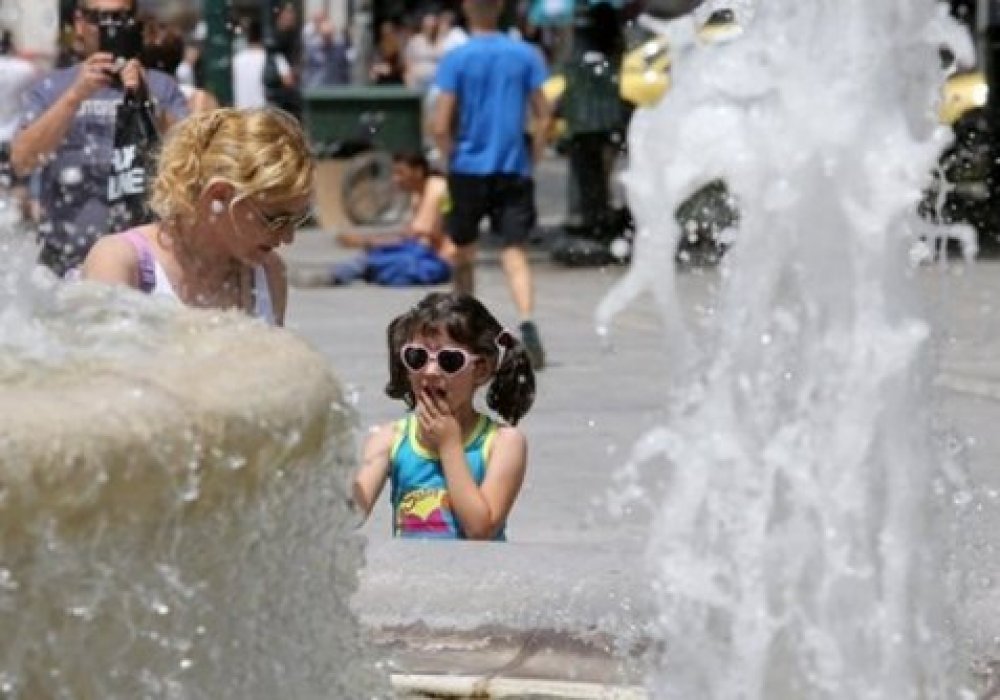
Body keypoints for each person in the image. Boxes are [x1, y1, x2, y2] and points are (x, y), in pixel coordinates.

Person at [80, 107, 314, 326]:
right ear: (219, 195)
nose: (288, 238)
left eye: (297, 220)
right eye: (275, 219)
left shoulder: (269, 273)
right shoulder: (120, 262)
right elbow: (103, 367)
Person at [10, 0, 189, 277]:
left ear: (136, 22)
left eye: (122, 17)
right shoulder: (50, 87)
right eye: (100, 18)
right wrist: (75, 95)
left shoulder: (161, 87)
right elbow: (22, 161)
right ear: (80, 22)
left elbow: (192, 158)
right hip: (64, 259)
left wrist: (147, 101)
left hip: (144, 261)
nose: (112, 26)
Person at [352, 291, 536, 539]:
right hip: (413, 577)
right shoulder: (389, 439)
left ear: (481, 370)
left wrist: (449, 445)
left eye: (449, 360)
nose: (429, 371)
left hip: (478, 578)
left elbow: (481, 529)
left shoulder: (504, 443)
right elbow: (349, 516)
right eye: (416, 357)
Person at [431, 0, 551, 369]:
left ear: (467, 7)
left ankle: (463, 329)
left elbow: (440, 122)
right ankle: (527, 320)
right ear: (500, 7)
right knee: (514, 251)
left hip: (468, 167)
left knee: (463, 251)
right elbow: (544, 114)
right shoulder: (525, 55)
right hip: (513, 167)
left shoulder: (457, 58)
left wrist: (450, 154)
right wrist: (535, 155)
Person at [327, 151, 454, 286]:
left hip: (438, 260)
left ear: (418, 171)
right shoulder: (417, 194)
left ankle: (349, 271)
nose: (395, 179)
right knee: (382, 258)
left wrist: (366, 242)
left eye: (400, 173)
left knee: (394, 259)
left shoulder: (437, 189)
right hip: (425, 255)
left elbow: (419, 240)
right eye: (394, 173)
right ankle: (350, 270)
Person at [232, 17, 293, 110]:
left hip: (241, 111)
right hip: (265, 113)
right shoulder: (274, 57)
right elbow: (289, 82)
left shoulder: (237, 59)